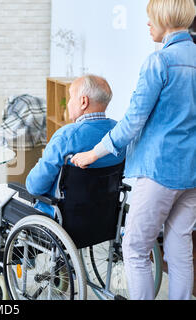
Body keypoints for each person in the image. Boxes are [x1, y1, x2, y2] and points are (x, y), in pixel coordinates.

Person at [71, 0, 196, 300]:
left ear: (164, 18)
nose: (148, 24)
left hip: (158, 171)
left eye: (150, 17)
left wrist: (92, 154)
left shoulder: (160, 62)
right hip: (192, 174)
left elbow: (131, 124)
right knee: (180, 252)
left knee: (136, 248)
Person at [0, 75, 126, 266]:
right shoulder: (118, 133)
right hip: (103, 219)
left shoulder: (67, 136)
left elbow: (34, 187)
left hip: (60, 220)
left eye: (70, 97)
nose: (68, 104)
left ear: (83, 101)